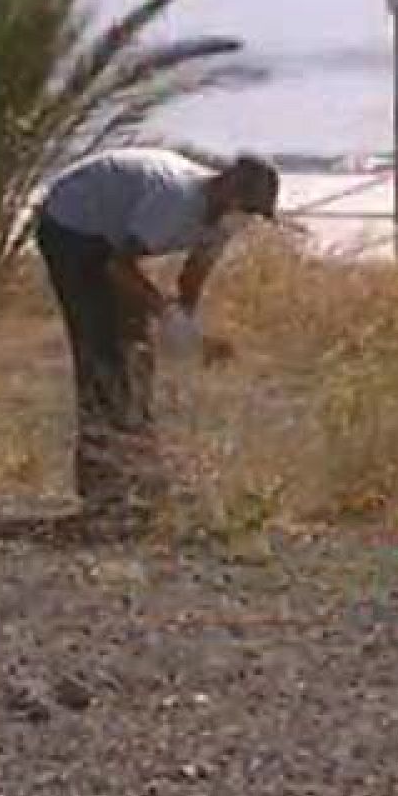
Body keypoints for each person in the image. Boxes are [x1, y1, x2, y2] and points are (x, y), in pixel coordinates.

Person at [33, 148, 280, 520]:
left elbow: (192, 275)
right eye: (247, 208)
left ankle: (141, 473)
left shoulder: (222, 221)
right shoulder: (175, 201)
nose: (247, 219)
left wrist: (186, 325)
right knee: (103, 353)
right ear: (227, 188)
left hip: (109, 236)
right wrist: (164, 313)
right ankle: (103, 487)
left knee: (138, 353)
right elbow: (117, 265)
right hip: (72, 227)